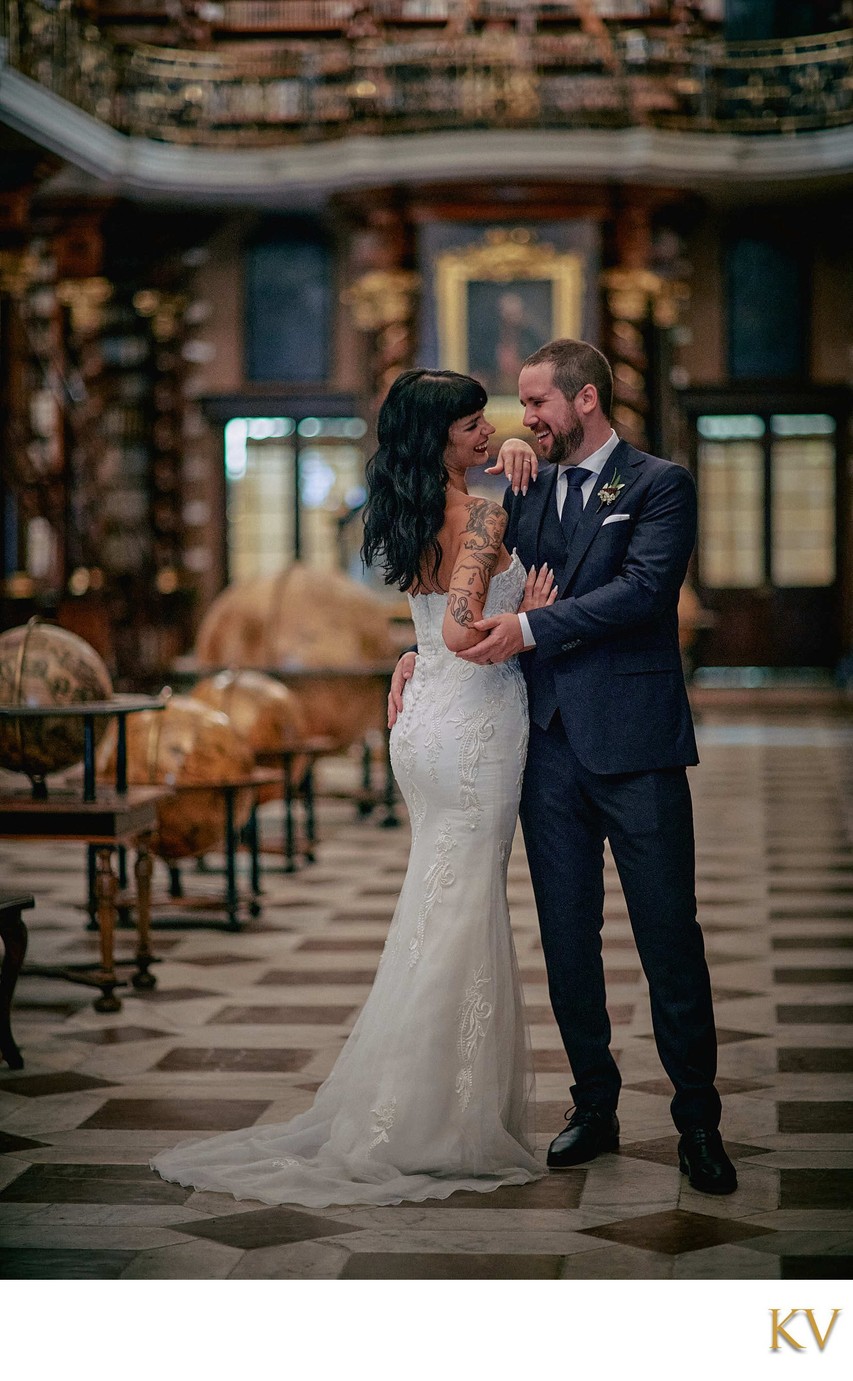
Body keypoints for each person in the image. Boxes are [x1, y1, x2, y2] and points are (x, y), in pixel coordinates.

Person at [151, 368, 557, 1208]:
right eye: (474, 424)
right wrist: (534, 617)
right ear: (438, 435)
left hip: (424, 725)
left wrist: (422, 653)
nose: (488, 432)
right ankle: (438, 1119)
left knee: (438, 907)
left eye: (490, 421)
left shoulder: (403, 511)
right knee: (460, 908)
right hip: (474, 727)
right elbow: (458, 626)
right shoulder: (481, 513)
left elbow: (424, 629)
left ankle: (416, 1100)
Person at [389, 340, 737, 1196]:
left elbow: (645, 592)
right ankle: (594, 1103)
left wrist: (532, 631)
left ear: (584, 399)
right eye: (516, 405)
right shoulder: (523, 488)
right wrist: (417, 651)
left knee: (668, 936)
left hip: (637, 744)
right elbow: (464, 591)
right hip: (543, 747)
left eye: (536, 403)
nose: (524, 418)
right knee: (566, 939)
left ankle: (697, 1120)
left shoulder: (658, 485)